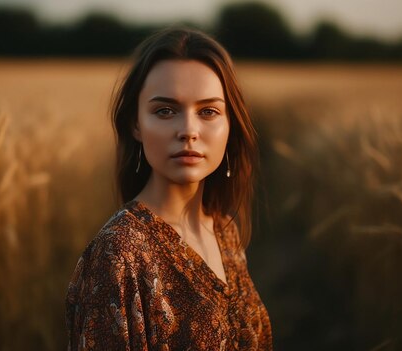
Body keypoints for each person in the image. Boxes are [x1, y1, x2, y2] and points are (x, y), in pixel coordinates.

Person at [65, 27, 272, 350]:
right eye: (165, 111)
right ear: (135, 124)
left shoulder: (222, 228)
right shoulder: (119, 254)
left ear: (230, 125)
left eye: (208, 112)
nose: (188, 130)